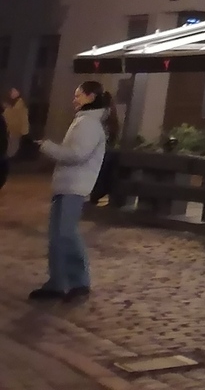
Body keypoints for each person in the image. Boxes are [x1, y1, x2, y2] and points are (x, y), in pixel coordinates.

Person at [26, 81, 116, 302]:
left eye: (78, 95)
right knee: (59, 235)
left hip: (75, 186)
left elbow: (76, 154)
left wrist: (47, 147)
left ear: (91, 96)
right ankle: (58, 282)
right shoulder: (85, 121)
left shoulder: (89, 124)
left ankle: (77, 282)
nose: (74, 99)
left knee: (65, 234)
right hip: (69, 184)